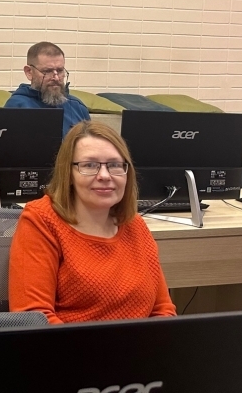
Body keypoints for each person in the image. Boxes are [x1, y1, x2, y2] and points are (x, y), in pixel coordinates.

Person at [9, 120, 176, 324]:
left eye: (115, 165)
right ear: (68, 173)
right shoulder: (41, 220)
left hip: (140, 344)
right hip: (67, 344)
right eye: (89, 165)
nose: (104, 175)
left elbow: (162, 309)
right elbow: (34, 317)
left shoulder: (135, 225)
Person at [4, 41, 91, 138]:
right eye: (47, 71)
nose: (56, 78)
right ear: (29, 72)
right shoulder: (17, 106)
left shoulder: (77, 107)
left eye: (60, 70)